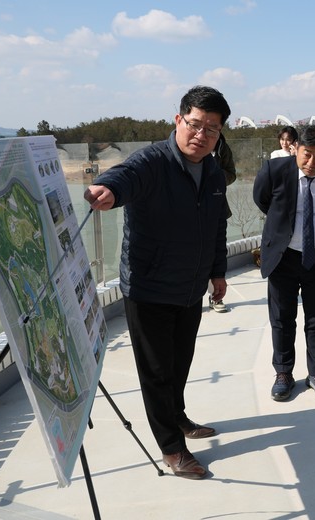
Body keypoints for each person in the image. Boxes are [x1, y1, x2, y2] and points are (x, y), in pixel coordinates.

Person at [84, 85, 231, 480]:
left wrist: (217, 271)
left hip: (191, 287)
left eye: (211, 129)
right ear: (178, 120)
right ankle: (172, 447)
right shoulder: (152, 161)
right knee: (156, 372)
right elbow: (125, 175)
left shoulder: (213, 170)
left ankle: (177, 417)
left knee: (179, 363)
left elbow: (217, 224)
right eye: (194, 124)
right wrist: (109, 189)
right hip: (149, 288)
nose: (201, 135)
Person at [253, 125, 315, 401]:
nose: (311, 162)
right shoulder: (274, 171)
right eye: (306, 154)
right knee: (282, 318)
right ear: (296, 148)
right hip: (282, 256)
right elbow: (263, 200)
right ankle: (283, 373)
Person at [207, 132, 238, 313]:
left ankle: (216, 296)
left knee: (216, 253)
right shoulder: (186, 146)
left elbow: (231, 174)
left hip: (217, 207)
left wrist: (215, 176)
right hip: (189, 210)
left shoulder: (222, 147)